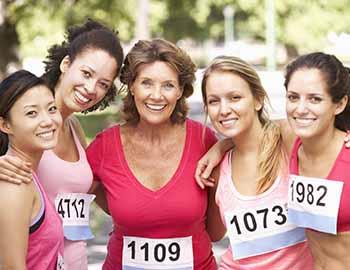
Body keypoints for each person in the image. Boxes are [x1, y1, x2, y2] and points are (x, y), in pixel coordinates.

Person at [0, 19, 124, 269]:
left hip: (75, 261)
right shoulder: (24, 121)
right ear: (66, 64)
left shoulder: (73, 127)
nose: (91, 88)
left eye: (103, 84)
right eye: (86, 73)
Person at [86, 39, 219, 270]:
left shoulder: (205, 141)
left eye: (168, 85)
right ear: (132, 86)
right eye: (146, 83)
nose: (156, 96)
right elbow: (61, 181)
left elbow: (218, 232)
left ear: (180, 91)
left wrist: (225, 146)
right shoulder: (104, 147)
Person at [198, 56, 313, 269]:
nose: (223, 110)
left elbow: (318, 121)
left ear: (258, 100)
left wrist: (222, 144)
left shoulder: (287, 142)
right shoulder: (217, 167)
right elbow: (214, 234)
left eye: (234, 98)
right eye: (214, 101)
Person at [285, 52, 350, 269]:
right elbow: (250, 130)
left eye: (315, 99)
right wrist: (219, 148)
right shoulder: (289, 138)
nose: (300, 109)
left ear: (339, 104)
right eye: (293, 97)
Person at [0, 70, 64, 269]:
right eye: (31, 113)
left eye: (52, 109)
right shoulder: (14, 183)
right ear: (5, 125)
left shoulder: (28, 173)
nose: (47, 121)